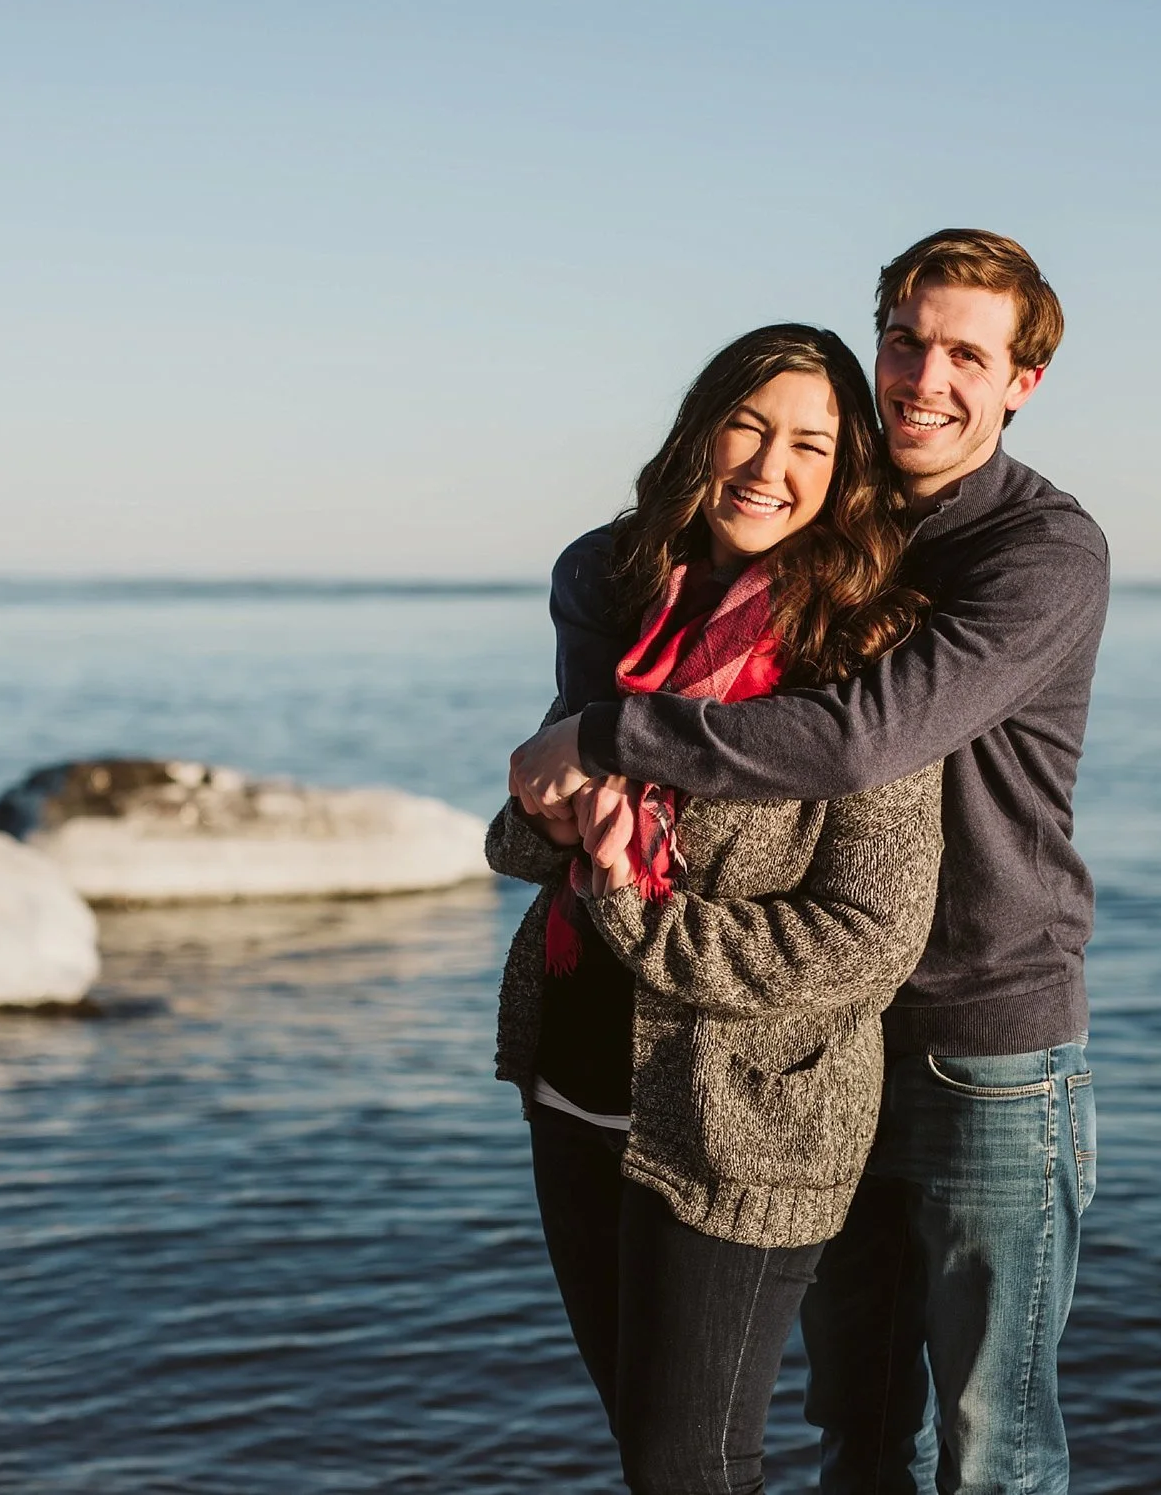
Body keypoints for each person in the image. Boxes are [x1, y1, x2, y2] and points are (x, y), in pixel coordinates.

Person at [511, 229, 1109, 1495]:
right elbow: (681, 557)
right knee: (859, 1423)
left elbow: (858, 737)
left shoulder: (1036, 551)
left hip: (976, 1030)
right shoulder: (852, 525)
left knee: (992, 1442)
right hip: (809, 1048)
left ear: (1022, 380)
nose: (925, 376)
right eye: (906, 339)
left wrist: (605, 732)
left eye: (966, 352)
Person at [487, 323, 947, 1495]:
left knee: (696, 1466)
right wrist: (545, 822)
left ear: (844, 473)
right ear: (700, 434)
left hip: (749, 1112)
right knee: (653, 1460)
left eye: (808, 441)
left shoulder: (867, 653)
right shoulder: (635, 607)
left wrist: (641, 914)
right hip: (579, 1080)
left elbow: (866, 933)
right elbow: (522, 826)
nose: (765, 464)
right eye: (746, 425)